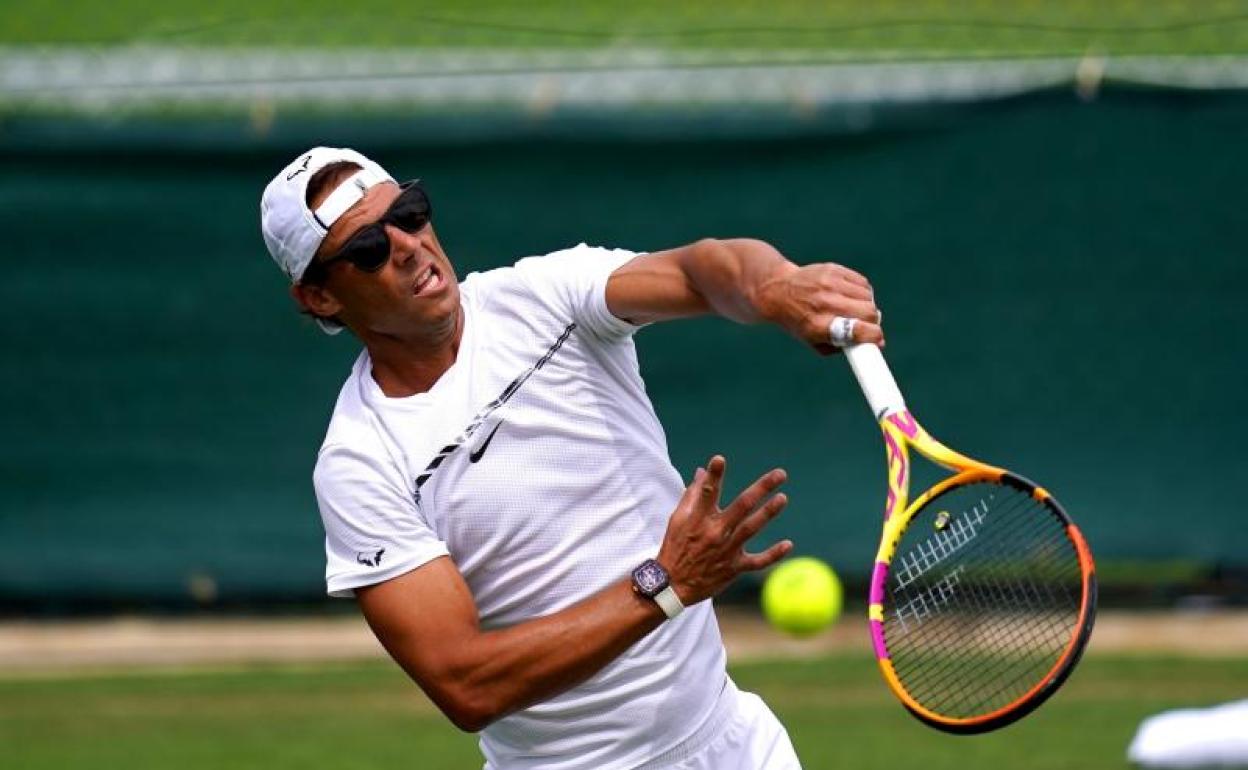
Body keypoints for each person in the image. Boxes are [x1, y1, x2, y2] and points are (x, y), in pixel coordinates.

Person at [259, 147, 883, 770]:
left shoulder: (544, 296)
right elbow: (466, 684)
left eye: (410, 213)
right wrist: (666, 583)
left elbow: (700, 270)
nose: (408, 245)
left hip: (735, 743)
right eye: (369, 248)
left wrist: (774, 287)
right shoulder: (359, 463)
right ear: (319, 296)